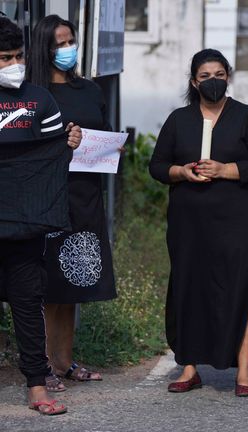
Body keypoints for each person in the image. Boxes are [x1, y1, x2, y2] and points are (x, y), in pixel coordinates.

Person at [149, 49, 248, 397]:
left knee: (240, 289)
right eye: (205, 76)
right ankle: (189, 366)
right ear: (194, 81)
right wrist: (182, 172)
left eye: (219, 74)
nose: (213, 81)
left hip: (239, 221)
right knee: (190, 289)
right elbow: (157, 166)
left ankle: (244, 369)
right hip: (189, 222)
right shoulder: (179, 120)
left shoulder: (246, 117)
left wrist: (225, 170)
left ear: (228, 77)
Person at [25, 14, 117, 392]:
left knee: (76, 279)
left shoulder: (90, 89)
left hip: (87, 193)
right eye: (59, 43)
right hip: (49, 195)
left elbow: (103, 130)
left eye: (70, 41)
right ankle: (42, 364)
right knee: (50, 283)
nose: (67, 49)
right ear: (44, 48)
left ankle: (64, 361)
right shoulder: (34, 93)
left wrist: (111, 145)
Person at [0, 16, 81, 415]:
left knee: (27, 302)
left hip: (26, 224)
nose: (13, 64)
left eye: (17, 56)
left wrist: (69, 142)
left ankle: (36, 384)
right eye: (3, 58)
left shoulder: (40, 100)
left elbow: (53, 155)